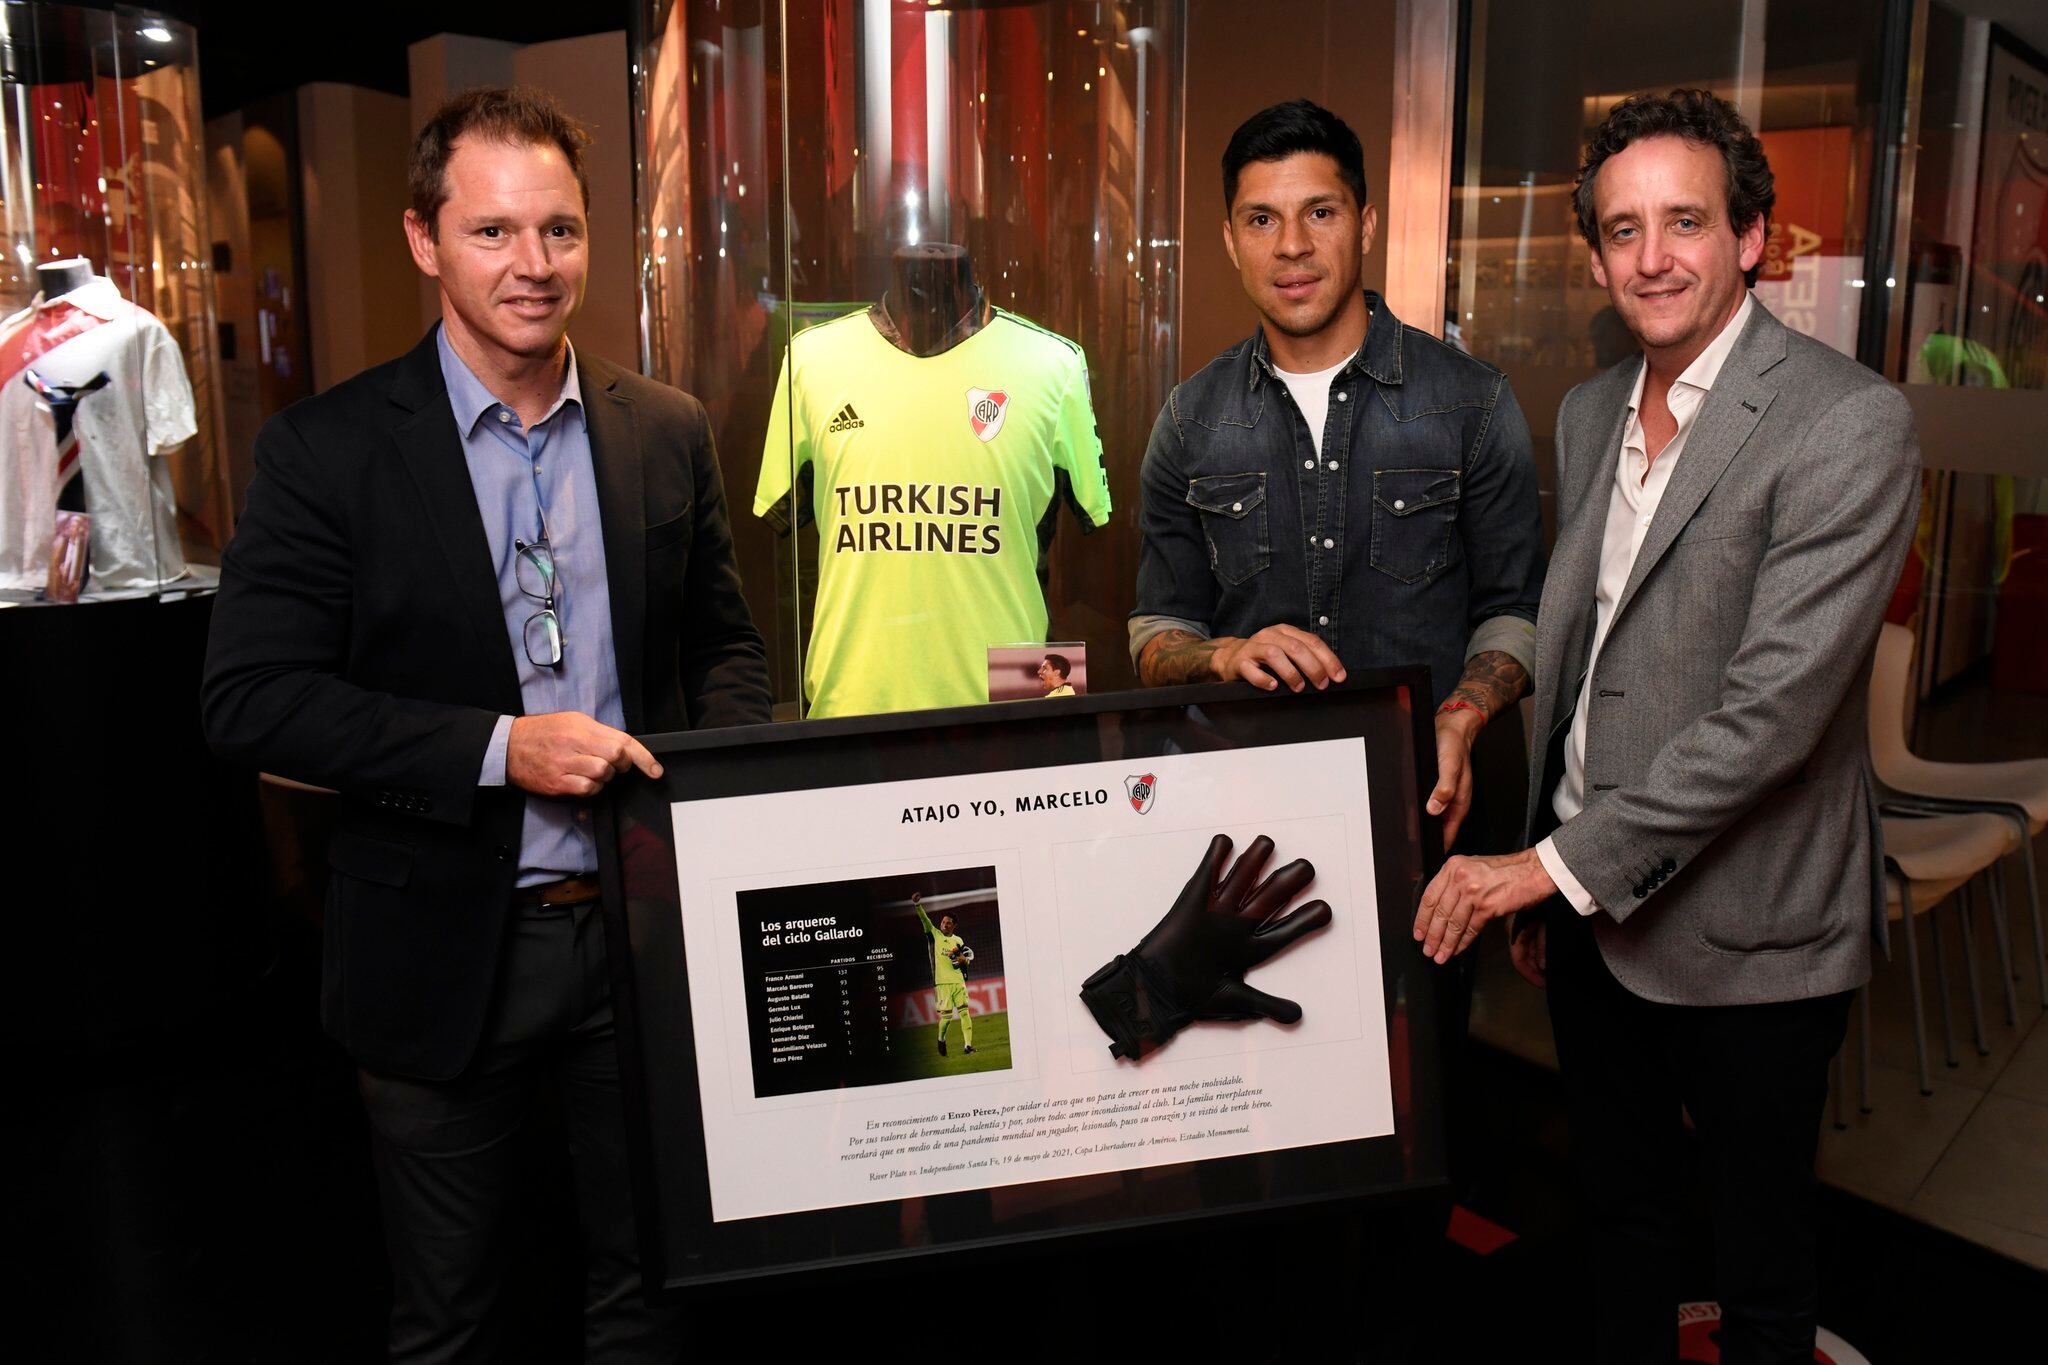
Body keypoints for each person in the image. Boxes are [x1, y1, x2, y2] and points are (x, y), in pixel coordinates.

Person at [202, 87, 770, 1362]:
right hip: (441, 947)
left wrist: (693, 802)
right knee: (452, 1321)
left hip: (636, 943)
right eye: (494, 233)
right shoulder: (326, 452)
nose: (534, 267)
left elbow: (726, 648)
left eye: (559, 232)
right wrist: (499, 749)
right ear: (424, 241)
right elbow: (249, 697)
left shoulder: (664, 431)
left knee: (657, 1289)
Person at [1412, 89, 1920, 1361]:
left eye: (1684, 221)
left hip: (1751, 930)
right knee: (1619, 1221)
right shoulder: (1589, 414)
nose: (1652, 257)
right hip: (1594, 914)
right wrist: (1556, 866)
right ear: (1593, 256)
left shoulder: (1845, 421)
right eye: (1623, 229)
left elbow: (1768, 718)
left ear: (1750, 235)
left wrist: (1535, 868)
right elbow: (1588, 655)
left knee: (1757, 1261)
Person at [1130, 99, 1545, 848]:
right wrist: (1225, 653)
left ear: (1367, 223)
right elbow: (1157, 632)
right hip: (1240, 821)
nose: (1292, 246)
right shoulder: (1191, 420)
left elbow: (1520, 614)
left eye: (1320, 212)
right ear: (1229, 240)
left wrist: (1462, 713)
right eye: (1261, 220)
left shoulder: (1471, 402)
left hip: (1421, 812)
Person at [913, 893, 974, 1055]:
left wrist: (963, 961)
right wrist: (917, 905)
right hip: (941, 983)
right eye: (943, 922)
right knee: (946, 1019)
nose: (945, 925)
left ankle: (968, 1046)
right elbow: (924, 920)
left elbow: (962, 963)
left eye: (949, 923)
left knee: (965, 1012)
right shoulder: (933, 934)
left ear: (954, 926)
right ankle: (941, 1039)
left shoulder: (959, 941)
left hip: (958, 982)